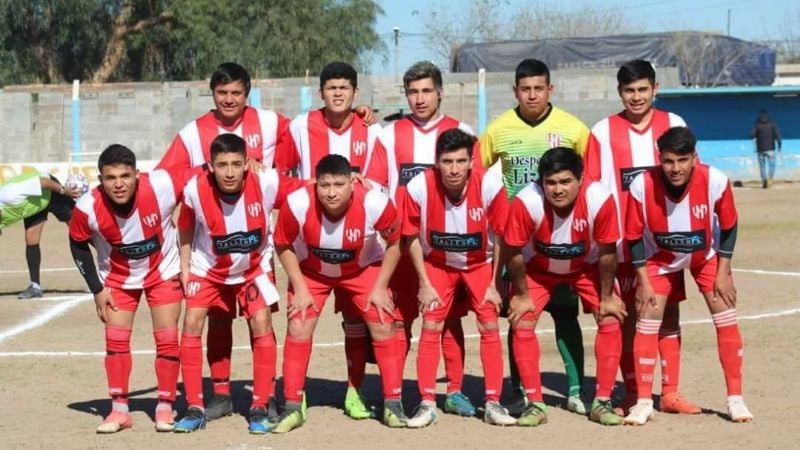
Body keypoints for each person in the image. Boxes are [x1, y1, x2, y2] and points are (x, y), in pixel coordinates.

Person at [156, 62, 290, 421]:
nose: (229, 99)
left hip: (254, 254)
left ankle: (264, 399)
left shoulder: (271, 123)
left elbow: (310, 136)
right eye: (222, 93)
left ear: (248, 92)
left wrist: (356, 116)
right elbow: (166, 178)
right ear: (212, 93)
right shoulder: (192, 133)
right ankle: (216, 395)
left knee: (261, 322)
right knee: (215, 322)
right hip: (210, 254)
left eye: (236, 93)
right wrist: (203, 173)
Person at [584, 59, 698, 415]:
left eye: (642, 89)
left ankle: (672, 392)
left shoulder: (674, 123)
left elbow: (691, 177)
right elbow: (592, 187)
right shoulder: (602, 131)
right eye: (629, 91)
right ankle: (635, 392)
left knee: (669, 314)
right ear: (620, 93)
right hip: (620, 244)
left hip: (664, 245)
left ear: (655, 89)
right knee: (630, 317)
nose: (636, 97)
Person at [365, 61, 477, 417]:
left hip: (444, 250)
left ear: (440, 92)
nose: (419, 98)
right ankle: (396, 394)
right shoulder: (388, 134)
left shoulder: (461, 131)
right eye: (412, 91)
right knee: (399, 320)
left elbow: (473, 186)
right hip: (401, 246)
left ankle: (455, 390)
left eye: (427, 90)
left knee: (448, 320)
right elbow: (376, 188)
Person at [480, 58, 590, 415]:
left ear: (550, 90)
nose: (531, 95)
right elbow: (474, 173)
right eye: (524, 89)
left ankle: (575, 389)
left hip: (562, 237)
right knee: (519, 313)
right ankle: (522, 390)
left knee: (564, 312)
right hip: (517, 245)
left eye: (538, 88)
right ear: (515, 91)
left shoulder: (573, 129)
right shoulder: (498, 129)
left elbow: (591, 180)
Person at [173, 134, 303, 434]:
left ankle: (261, 403)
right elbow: (185, 223)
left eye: (235, 164)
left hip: (252, 268)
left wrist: (352, 180)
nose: (229, 172)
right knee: (192, 322)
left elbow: (307, 191)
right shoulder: (194, 189)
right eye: (222, 165)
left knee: (261, 322)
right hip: (208, 269)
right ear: (210, 166)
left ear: (247, 163)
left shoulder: (266, 181)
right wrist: (184, 266)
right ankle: (195, 405)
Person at [623, 126, 753, 425]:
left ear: (694, 157)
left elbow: (730, 226)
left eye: (682, 160)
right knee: (648, 318)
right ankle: (643, 402)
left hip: (705, 257)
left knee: (725, 315)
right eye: (669, 161)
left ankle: (735, 399)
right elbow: (632, 236)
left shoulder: (716, 180)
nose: (675, 168)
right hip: (659, 258)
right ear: (660, 158)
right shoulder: (642, 184)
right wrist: (643, 281)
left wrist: (723, 272)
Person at [274, 61, 383, 419]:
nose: (338, 93)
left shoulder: (371, 129)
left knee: (357, 322)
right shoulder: (300, 126)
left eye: (344, 87)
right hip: (310, 246)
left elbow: (378, 183)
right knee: (300, 320)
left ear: (355, 93)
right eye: (331, 87)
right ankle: (295, 395)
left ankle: (354, 392)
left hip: (357, 248)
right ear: (321, 92)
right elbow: (281, 175)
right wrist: (307, 189)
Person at [271, 154, 408, 432]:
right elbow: (282, 243)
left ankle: (394, 404)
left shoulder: (374, 202)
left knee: (384, 323)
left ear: (352, 183)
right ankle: (292, 404)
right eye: (324, 185)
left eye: (338, 184)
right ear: (315, 185)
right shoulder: (298, 203)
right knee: (298, 324)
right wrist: (298, 287)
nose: (331, 192)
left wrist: (381, 286)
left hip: (362, 269)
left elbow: (395, 241)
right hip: (311, 271)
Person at [503, 147, 627, 427]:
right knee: (521, 320)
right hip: (538, 269)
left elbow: (608, 251)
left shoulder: (599, 198)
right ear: (541, 182)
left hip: (586, 266)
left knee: (610, 317)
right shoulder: (527, 201)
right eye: (551, 182)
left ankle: (601, 401)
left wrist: (607, 297)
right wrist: (522, 295)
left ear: (580, 179)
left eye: (565, 181)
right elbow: (512, 251)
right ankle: (534, 404)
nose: (558, 189)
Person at [401, 129, 515, 428]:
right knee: (431, 323)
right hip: (437, 264)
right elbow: (410, 236)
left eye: (460, 161)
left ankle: (493, 402)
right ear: (436, 162)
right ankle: (426, 402)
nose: (453, 169)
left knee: (489, 322)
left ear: (471, 161)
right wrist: (424, 283)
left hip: (480, 264)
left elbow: (502, 235)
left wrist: (495, 283)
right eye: (447, 161)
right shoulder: (418, 186)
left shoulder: (489, 184)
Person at [68, 145, 183, 433]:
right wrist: (96, 288)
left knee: (168, 339)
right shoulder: (87, 207)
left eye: (125, 176)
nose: (118, 184)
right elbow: (77, 243)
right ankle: (119, 411)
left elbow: (204, 178)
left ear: (138, 175)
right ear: (100, 180)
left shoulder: (163, 185)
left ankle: (165, 406)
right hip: (117, 278)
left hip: (163, 271)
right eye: (110, 178)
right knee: (115, 342)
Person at [0, 171, 80, 298]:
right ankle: (35, 286)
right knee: (31, 238)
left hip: (50, 191)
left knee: (79, 230)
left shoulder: (9, 194)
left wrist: (64, 191)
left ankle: (111, 263)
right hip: (34, 204)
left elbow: (43, 182)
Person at [750, 109, 782, 189]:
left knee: (762, 166)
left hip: (760, 149)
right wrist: (779, 144)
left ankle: (764, 180)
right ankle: (770, 179)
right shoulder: (772, 124)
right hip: (771, 148)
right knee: (772, 165)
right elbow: (777, 135)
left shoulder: (757, 125)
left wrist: (756, 134)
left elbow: (751, 135)